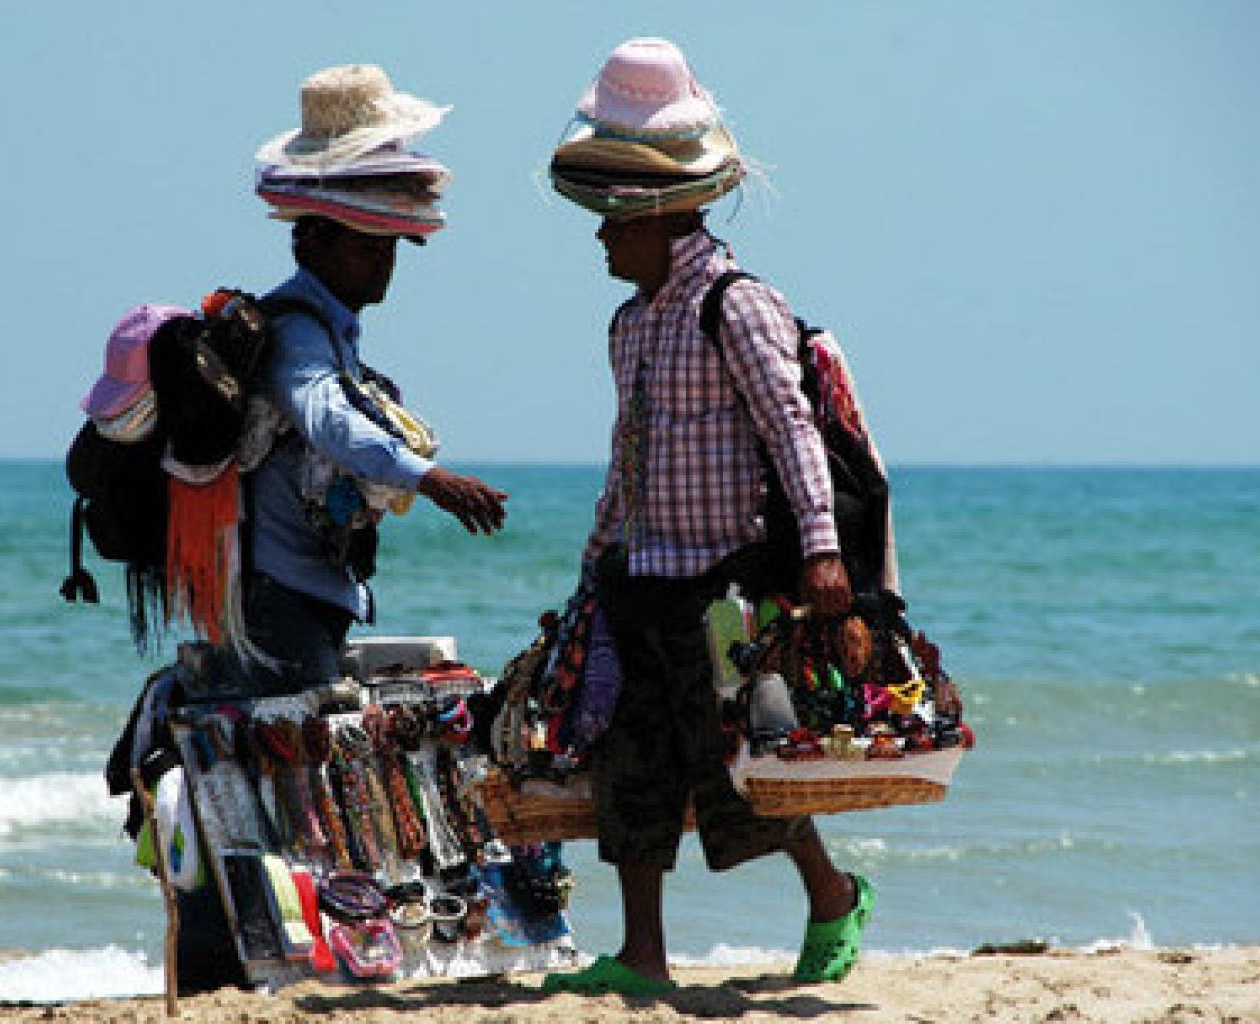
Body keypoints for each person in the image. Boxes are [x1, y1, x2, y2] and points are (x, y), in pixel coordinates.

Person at [540, 38, 890, 995]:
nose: (601, 239)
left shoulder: (736, 305)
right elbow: (627, 460)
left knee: (738, 765)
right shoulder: (630, 323)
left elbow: (791, 429)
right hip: (642, 579)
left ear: (656, 214)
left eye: (612, 222)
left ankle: (833, 896)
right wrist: (595, 568)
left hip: (725, 586)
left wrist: (822, 553)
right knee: (633, 768)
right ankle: (643, 957)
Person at [241, 63, 509, 691]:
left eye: (390, 247)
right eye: (368, 246)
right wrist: (430, 479)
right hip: (281, 595)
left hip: (307, 590)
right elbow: (327, 419)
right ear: (310, 242)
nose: (385, 264)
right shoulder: (297, 332)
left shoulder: (331, 329)